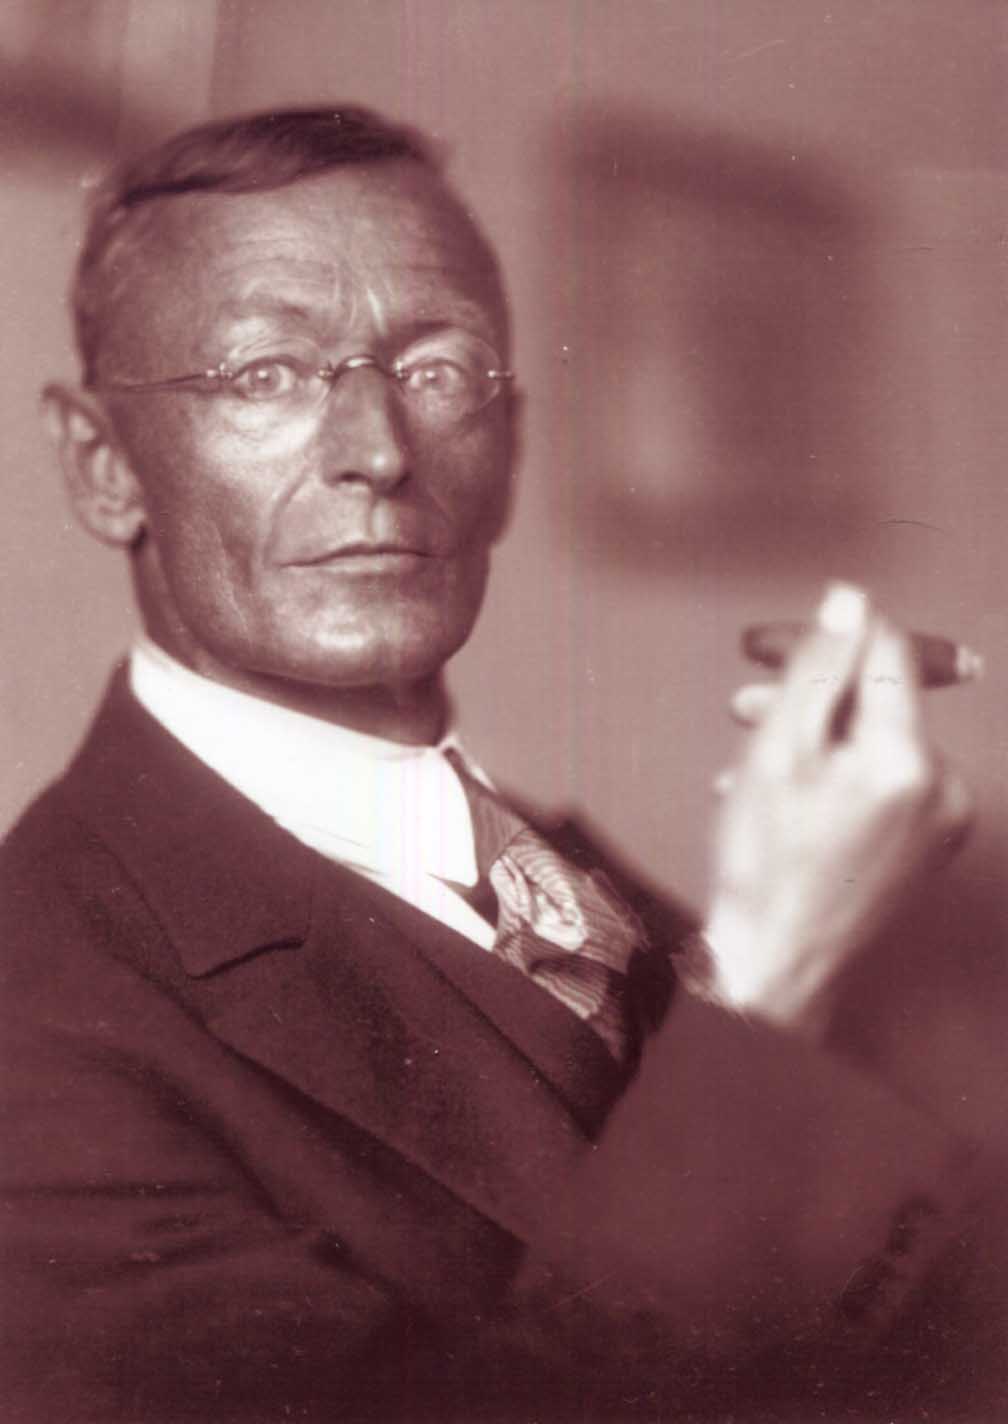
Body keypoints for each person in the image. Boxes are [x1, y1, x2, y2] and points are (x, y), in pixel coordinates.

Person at [0, 107, 979, 1423]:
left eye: (440, 367)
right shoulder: (37, 1006)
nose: (378, 451)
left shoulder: (557, 870)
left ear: (510, 450)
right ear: (102, 465)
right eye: (265, 375)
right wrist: (770, 964)